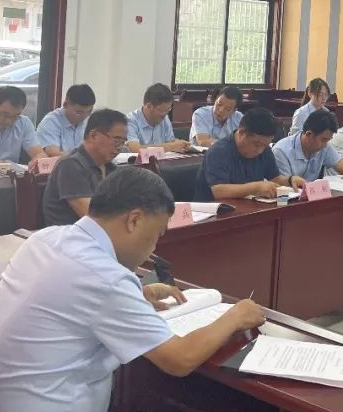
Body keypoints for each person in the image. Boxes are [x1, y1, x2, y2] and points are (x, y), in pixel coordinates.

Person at [0, 167, 265, 412]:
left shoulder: (45, 238)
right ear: (134, 220)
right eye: (157, 234)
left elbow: (70, 302)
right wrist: (235, 316)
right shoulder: (106, 278)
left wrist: (136, 295)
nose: (154, 247)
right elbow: (179, 359)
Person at [194, 108, 306, 202]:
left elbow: (275, 178)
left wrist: (290, 180)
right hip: (214, 212)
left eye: (265, 145)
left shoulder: (264, 149)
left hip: (249, 208)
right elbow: (218, 191)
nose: (260, 150)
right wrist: (255, 187)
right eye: (257, 144)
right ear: (241, 132)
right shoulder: (219, 151)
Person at [42, 109, 127, 226]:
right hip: (70, 234)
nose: (119, 147)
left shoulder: (112, 169)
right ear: (93, 135)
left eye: (123, 142)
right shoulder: (71, 165)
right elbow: (94, 218)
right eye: (116, 140)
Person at [273, 109, 343, 182]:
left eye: (328, 140)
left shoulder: (324, 146)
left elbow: (341, 166)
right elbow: (283, 187)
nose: (325, 145)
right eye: (323, 140)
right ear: (309, 134)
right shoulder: (281, 151)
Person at [126, 83, 189, 153]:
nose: (165, 114)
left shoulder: (165, 118)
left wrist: (181, 144)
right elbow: (136, 149)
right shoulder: (131, 120)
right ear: (149, 106)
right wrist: (172, 146)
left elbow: (170, 141)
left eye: (168, 110)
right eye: (162, 111)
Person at [36, 84, 96, 156]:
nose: (85, 117)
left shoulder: (89, 121)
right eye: (79, 112)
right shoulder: (50, 122)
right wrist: (83, 158)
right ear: (65, 104)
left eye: (89, 111)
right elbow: (53, 153)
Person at [0, 85, 46, 164]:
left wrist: (36, 161)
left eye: (15, 116)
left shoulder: (23, 123)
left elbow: (39, 154)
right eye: (6, 115)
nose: (9, 121)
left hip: (11, 171)